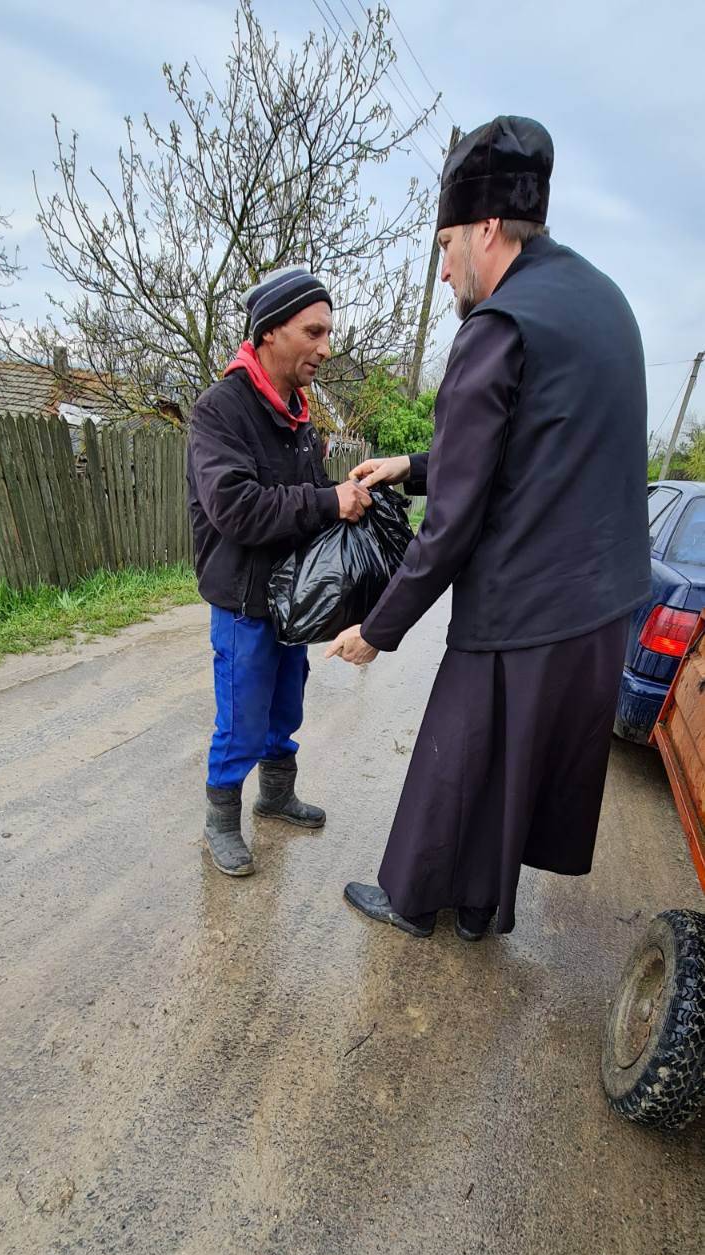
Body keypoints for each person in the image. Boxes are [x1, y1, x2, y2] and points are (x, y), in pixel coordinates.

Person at [325, 116, 651, 940]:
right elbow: (533, 445)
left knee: (460, 752)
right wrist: (411, 464)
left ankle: (411, 902)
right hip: (601, 604)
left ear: (485, 227)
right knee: (510, 767)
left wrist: (377, 629)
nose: (443, 271)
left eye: (444, 246)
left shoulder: (497, 325)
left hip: (523, 600)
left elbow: (454, 521)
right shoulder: (599, 300)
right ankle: (475, 909)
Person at [188, 266, 371, 877]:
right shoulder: (221, 410)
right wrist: (325, 501)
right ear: (269, 331)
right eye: (313, 332)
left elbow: (309, 494)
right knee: (241, 717)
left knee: (285, 704)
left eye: (328, 333)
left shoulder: (296, 412)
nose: (326, 348)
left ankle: (275, 795)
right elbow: (235, 508)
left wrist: (345, 492)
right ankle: (220, 821)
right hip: (243, 599)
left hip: (292, 597)